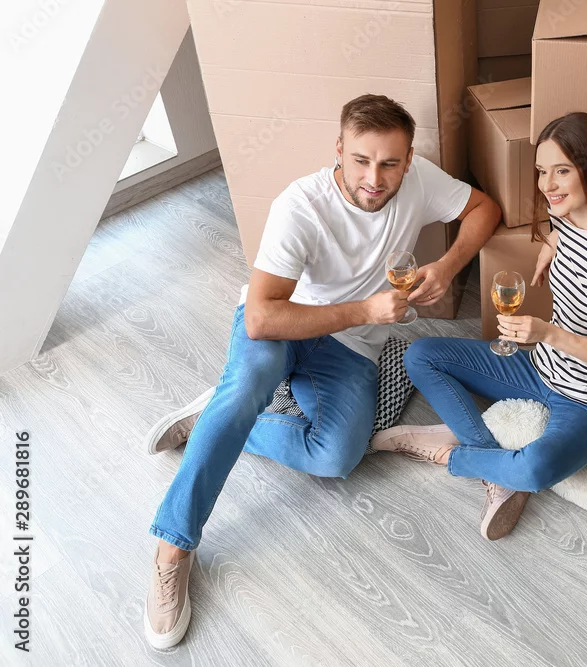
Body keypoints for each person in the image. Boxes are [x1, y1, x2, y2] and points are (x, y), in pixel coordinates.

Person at [142, 94, 501, 649]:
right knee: (246, 388)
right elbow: (261, 317)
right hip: (285, 323)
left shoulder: (420, 180)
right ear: (338, 149)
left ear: (408, 161)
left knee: (336, 458)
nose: (374, 178)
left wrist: (448, 265)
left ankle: (213, 418)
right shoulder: (300, 206)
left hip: (350, 346)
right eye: (361, 160)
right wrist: (365, 311)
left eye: (390, 163)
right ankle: (172, 547)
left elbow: (484, 209)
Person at [372, 112, 587, 541]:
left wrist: (546, 333)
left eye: (562, 171)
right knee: (420, 354)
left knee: (535, 468)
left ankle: (453, 455)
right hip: (543, 367)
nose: (547, 185)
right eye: (543, 171)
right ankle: (494, 460)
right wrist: (552, 242)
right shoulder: (566, 217)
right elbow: (568, 229)